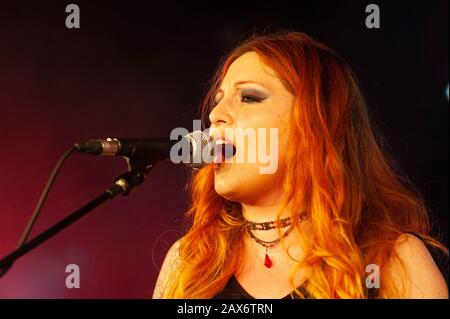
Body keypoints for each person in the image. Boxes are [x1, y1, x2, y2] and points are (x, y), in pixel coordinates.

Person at [153, 31, 448, 299]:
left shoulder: (393, 260)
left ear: (316, 124)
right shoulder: (189, 263)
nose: (216, 114)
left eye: (249, 97)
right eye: (218, 101)